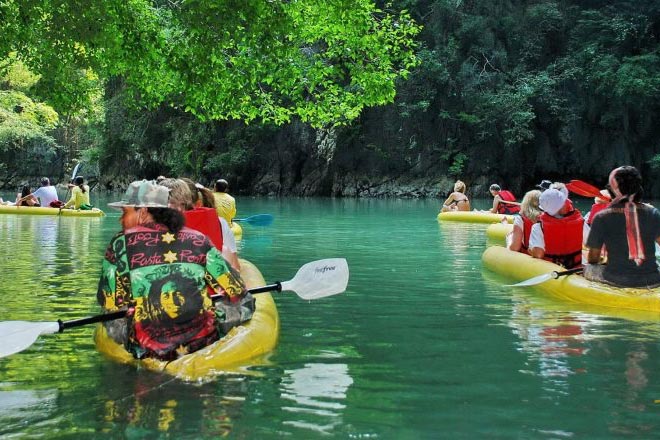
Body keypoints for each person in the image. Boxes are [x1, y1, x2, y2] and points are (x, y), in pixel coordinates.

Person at [96, 180, 254, 361]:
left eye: (126, 212)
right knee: (243, 304)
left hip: (147, 348)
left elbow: (108, 301)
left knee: (112, 316)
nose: (121, 219)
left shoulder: (119, 243)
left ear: (144, 212)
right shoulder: (199, 239)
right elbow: (237, 291)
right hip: (201, 343)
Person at [584, 166, 660, 287]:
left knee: (589, 268)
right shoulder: (653, 213)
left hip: (618, 279)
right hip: (653, 278)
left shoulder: (602, 217)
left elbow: (593, 258)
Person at [161, 178, 240, 272]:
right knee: (226, 251)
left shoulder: (149, 228)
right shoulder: (229, 202)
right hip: (211, 276)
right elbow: (236, 269)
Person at [529, 188, 584, 269]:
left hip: (552, 272)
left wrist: (531, 250)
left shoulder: (538, 227)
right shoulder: (580, 221)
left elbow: (538, 254)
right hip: (575, 269)